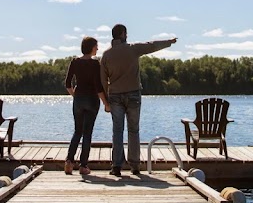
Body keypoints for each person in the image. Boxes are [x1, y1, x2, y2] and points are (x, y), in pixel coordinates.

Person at [100, 24, 176, 177]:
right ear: (123, 34)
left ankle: (116, 167)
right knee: (133, 130)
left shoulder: (106, 55)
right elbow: (151, 46)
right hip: (133, 95)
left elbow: (102, 80)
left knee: (117, 131)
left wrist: (106, 102)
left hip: (114, 97)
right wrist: (169, 42)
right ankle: (135, 166)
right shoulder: (132, 49)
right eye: (126, 33)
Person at [63, 36, 110, 176]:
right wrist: (106, 103)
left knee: (77, 131)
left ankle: (69, 162)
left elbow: (67, 84)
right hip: (92, 100)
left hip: (78, 100)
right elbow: (98, 87)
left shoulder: (75, 62)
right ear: (91, 47)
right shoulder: (95, 64)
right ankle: (83, 166)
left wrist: (75, 95)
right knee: (87, 133)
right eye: (96, 46)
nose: (98, 48)